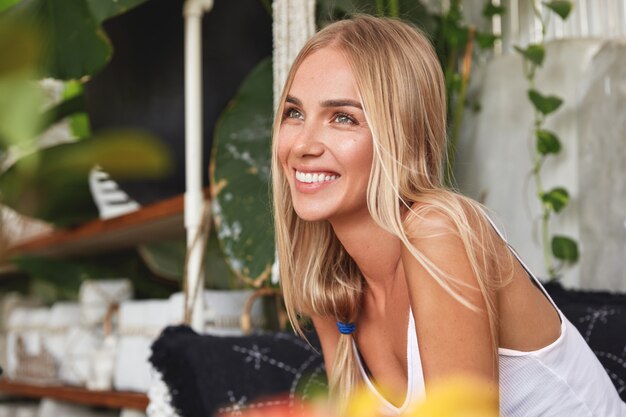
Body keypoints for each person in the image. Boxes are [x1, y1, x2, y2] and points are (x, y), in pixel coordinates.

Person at [270, 14, 626, 417]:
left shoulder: (438, 233)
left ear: (399, 135)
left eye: (343, 118)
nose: (302, 144)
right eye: (294, 113)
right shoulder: (331, 283)